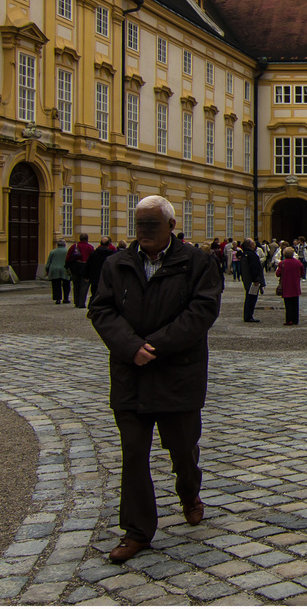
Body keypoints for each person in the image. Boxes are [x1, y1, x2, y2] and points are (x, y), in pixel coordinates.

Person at [88, 195, 223, 562]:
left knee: (182, 449)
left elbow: (202, 311)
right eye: (140, 226)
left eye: (152, 225)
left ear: (171, 227)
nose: (144, 233)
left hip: (177, 374)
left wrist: (155, 346)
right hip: (131, 374)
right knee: (133, 455)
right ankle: (136, 531)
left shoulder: (197, 262)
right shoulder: (117, 264)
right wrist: (131, 346)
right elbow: (101, 309)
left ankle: (189, 491)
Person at [277, 247, 306, 325]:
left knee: (288, 304)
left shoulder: (282, 263)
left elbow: (278, 274)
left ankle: (289, 320)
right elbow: (303, 273)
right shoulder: (298, 262)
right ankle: (295, 320)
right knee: (295, 304)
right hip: (295, 286)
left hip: (286, 286)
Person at [237, 240, 264, 322]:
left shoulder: (244, 254)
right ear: (251, 245)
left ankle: (247, 315)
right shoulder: (252, 255)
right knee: (251, 298)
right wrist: (256, 279)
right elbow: (254, 268)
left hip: (247, 280)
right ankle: (249, 316)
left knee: (249, 297)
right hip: (252, 280)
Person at [68, 232, 95, 309]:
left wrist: (68, 266)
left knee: (76, 285)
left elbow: (68, 257)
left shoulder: (74, 246)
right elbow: (92, 259)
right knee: (84, 286)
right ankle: (82, 303)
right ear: (87, 239)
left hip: (76, 267)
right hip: (85, 267)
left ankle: (76, 301)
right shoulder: (90, 247)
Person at [45, 239, 71, 304]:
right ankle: (66, 298)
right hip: (64, 269)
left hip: (54, 269)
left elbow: (49, 262)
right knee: (66, 284)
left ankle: (58, 299)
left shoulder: (53, 251)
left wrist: (46, 269)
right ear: (64, 244)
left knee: (56, 285)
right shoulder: (67, 251)